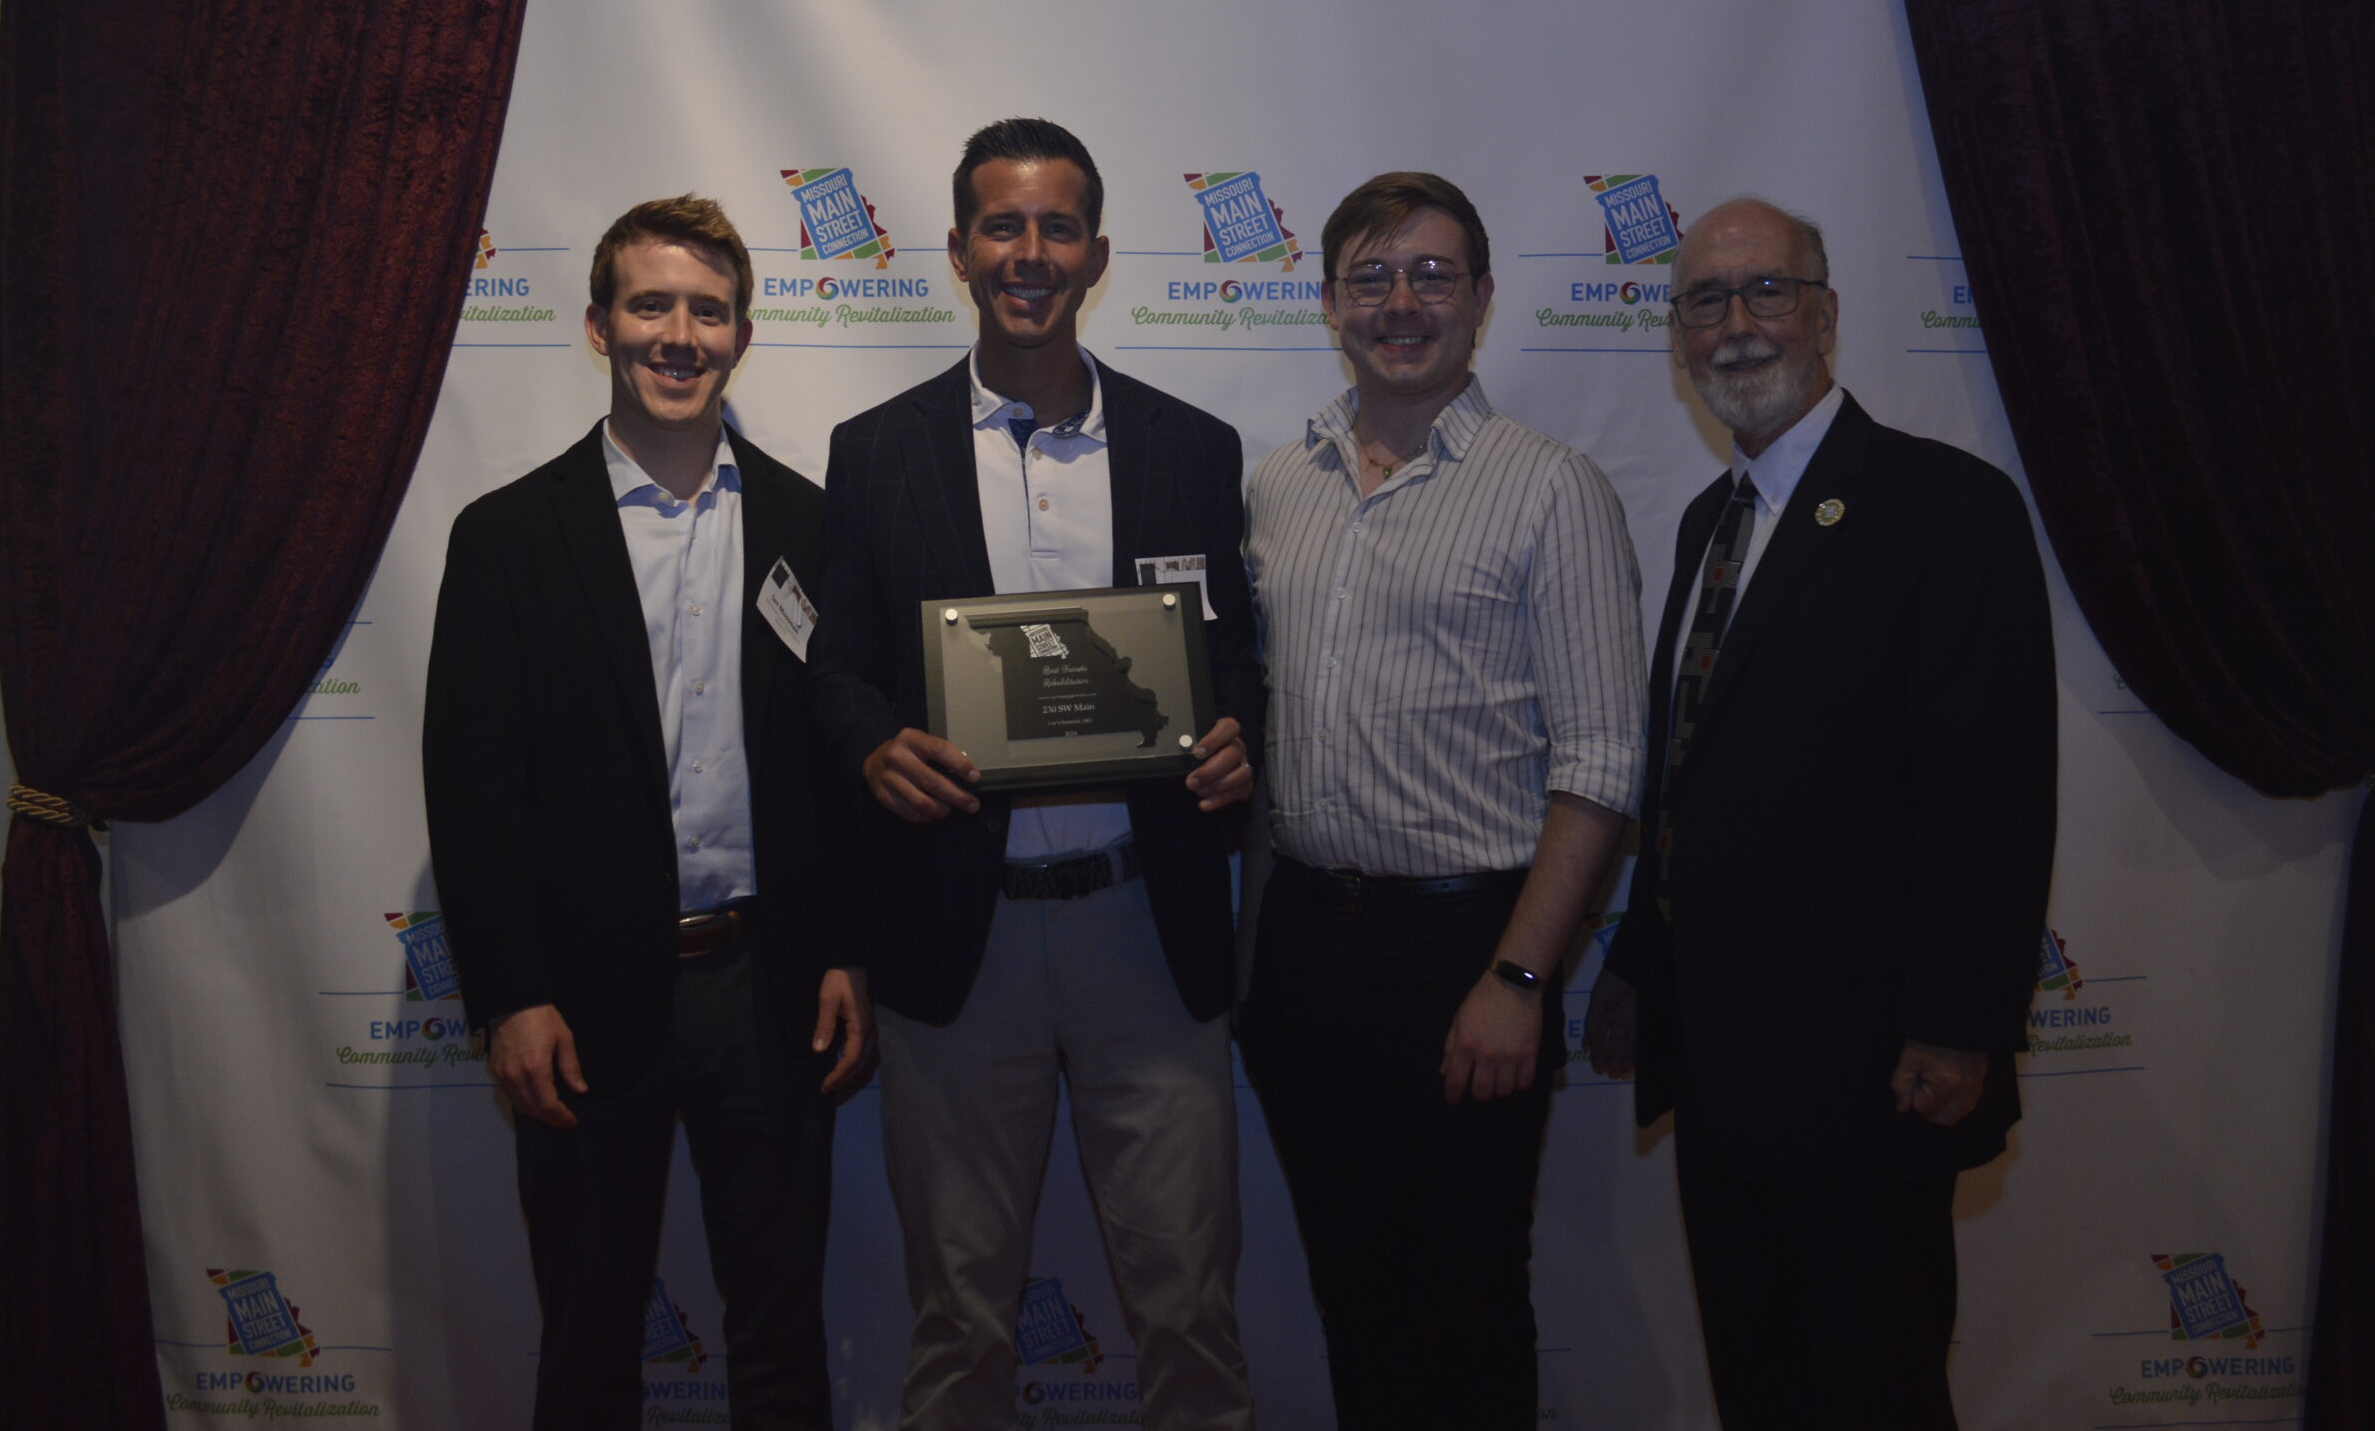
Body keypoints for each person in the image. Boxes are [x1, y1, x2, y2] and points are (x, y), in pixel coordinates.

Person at [807, 118, 1260, 1431]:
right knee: (959, 1323)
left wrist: (1237, 730)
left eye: (1058, 226)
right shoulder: (876, 450)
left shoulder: (1192, 447)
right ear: (958, 250)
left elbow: (1233, 663)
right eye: (1003, 225)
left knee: (1190, 1312)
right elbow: (837, 671)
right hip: (959, 937)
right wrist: (872, 743)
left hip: (1147, 925)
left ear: (1099, 253)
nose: (1030, 251)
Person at [1585, 196, 2057, 1431]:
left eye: (1765, 291)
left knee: (1874, 1392)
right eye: (1703, 300)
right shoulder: (1705, 526)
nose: (1736, 326)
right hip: (1725, 1070)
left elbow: (1993, 794)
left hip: (1871, 1077)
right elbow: (1688, 770)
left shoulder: (1947, 509)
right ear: (1676, 337)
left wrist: (1959, 1023)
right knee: (1761, 1389)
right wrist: (1643, 956)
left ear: (1826, 313)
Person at [424, 194, 871, 1430]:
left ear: (742, 334)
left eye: (709, 309)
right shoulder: (507, 536)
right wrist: (510, 994)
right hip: (578, 997)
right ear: (597, 327)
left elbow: (832, 777)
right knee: (585, 1336)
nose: (681, 334)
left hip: (764, 987)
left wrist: (841, 948)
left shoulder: (811, 526)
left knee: (781, 1333)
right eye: (651, 304)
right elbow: (472, 790)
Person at [1237, 171, 1648, 1430]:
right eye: (1371, 275)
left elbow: (1602, 761)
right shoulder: (1275, 485)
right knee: (1353, 1291)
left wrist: (1520, 979)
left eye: (1429, 275)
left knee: (1463, 1297)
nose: (1400, 302)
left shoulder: (1549, 488)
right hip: (1303, 949)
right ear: (1328, 302)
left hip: (1466, 950)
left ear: (1477, 299)